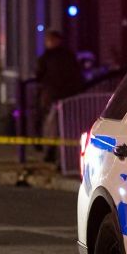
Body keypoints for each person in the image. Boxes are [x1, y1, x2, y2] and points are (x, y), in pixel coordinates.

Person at [35, 30, 83, 161]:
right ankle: (64, 155)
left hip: (53, 97)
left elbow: (39, 75)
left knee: (52, 125)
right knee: (66, 126)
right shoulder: (69, 56)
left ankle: (51, 152)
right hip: (69, 96)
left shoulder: (47, 57)